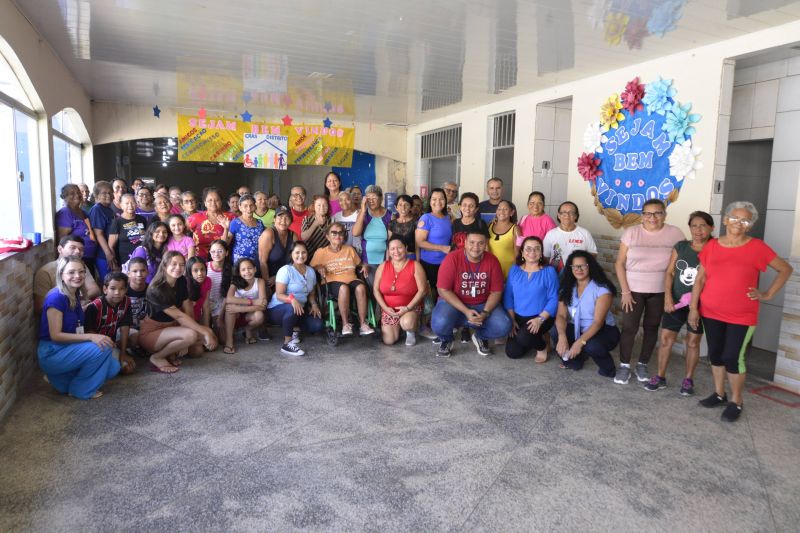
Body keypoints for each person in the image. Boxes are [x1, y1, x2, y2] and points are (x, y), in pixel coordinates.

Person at [688, 202, 793, 422]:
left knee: (732, 357)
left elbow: (785, 269)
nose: (739, 223)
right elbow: (700, 279)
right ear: (726, 220)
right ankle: (719, 394)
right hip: (710, 310)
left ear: (750, 226)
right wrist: (693, 309)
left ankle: (736, 401)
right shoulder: (712, 246)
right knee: (716, 354)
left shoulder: (757, 247)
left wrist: (767, 294)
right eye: (735, 218)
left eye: (745, 220)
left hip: (742, 315)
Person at [614, 199, 685, 384]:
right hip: (633, 290)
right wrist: (625, 291)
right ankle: (624, 366)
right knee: (630, 327)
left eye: (657, 213)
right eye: (648, 213)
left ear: (664, 214)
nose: (652, 217)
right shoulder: (631, 233)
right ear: (642, 215)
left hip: (660, 290)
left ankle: (642, 364)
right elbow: (619, 263)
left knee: (652, 327)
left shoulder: (675, 233)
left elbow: (682, 261)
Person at [645, 211, 714, 395]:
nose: (698, 230)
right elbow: (669, 273)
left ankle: (688, 379)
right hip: (675, 301)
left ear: (711, 228)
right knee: (666, 339)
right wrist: (667, 297)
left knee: (692, 342)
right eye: (694, 226)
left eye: (703, 225)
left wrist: (696, 307)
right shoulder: (681, 246)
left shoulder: (715, 248)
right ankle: (660, 377)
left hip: (700, 305)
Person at [38, 256, 120, 399]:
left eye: (81, 272)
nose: (77, 276)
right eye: (71, 272)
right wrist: (91, 336)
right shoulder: (56, 297)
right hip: (52, 352)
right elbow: (55, 335)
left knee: (114, 368)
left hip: (68, 348)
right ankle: (80, 390)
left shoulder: (73, 293)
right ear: (61, 274)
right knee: (105, 347)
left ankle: (59, 377)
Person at [431, 230, 511, 357]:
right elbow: (443, 290)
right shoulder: (452, 258)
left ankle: (480, 336)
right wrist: (465, 311)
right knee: (439, 322)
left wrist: (485, 312)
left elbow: (496, 291)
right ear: (465, 243)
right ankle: (446, 339)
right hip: (454, 304)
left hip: (482, 304)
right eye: (472, 243)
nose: (476, 247)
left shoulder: (492, 260)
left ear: (486, 244)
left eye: (480, 243)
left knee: (504, 326)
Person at [141, 251, 218, 373]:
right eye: (174, 264)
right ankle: (157, 357)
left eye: (182, 264)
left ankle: (172, 352)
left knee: (201, 345)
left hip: (173, 327)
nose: (178, 268)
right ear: (165, 265)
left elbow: (187, 307)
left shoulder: (181, 280)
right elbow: (179, 315)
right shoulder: (156, 288)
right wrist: (201, 332)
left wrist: (202, 332)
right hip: (152, 332)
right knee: (192, 335)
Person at [554, 251, 620, 377]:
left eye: (583, 266)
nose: (578, 269)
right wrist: (562, 337)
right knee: (556, 330)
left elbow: (598, 322)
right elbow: (561, 316)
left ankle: (608, 369)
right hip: (578, 328)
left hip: (603, 329)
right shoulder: (567, 287)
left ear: (590, 267)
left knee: (592, 346)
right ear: (570, 268)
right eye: (575, 266)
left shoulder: (602, 289)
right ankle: (579, 357)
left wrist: (579, 343)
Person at [310, 223, 374, 336]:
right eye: (334, 233)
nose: (337, 235)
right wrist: (318, 267)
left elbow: (359, 264)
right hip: (331, 283)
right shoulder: (321, 252)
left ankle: (363, 323)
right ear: (327, 236)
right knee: (343, 288)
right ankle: (345, 324)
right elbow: (311, 267)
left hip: (351, 279)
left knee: (361, 287)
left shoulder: (349, 249)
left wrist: (364, 265)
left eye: (340, 233)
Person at [504, 237, 559, 362]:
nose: (532, 252)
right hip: (518, 317)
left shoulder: (549, 271)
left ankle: (542, 346)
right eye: (528, 249)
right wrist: (511, 319)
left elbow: (554, 298)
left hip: (541, 316)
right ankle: (534, 338)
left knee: (524, 337)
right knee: (513, 352)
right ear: (522, 252)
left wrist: (540, 319)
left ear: (541, 253)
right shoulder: (514, 270)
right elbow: (508, 296)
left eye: (537, 249)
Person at [267, 241, 324, 356]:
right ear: (291, 254)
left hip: (299, 310)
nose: (300, 255)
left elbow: (311, 293)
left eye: (303, 252)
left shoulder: (311, 271)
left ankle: (293, 328)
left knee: (318, 325)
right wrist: (292, 299)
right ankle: (287, 344)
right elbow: (279, 294)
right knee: (291, 309)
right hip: (278, 309)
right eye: (297, 252)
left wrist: (313, 304)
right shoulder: (286, 270)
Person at [373, 236, 427, 346]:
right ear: (388, 250)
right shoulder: (383, 266)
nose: (396, 251)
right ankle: (399, 328)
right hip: (389, 309)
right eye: (392, 249)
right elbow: (376, 289)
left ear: (406, 248)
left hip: (410, 308)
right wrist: (385, 308)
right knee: (389, 341)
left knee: (407, 323)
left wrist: (407, 308)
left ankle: (410, 331)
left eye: (399, 248)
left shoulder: (415, 265)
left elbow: (423, 290)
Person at [84, 272, 137, 375]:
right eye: (113, 289)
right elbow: (88, 331)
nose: (117, 292)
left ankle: (118, 351)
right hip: (95, 343)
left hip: (111, 338)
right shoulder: (95, 306)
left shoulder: (126, 302)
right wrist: (109, 346)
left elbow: (124, 327)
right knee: (124, 368)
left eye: (121, 289)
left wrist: (122, 353)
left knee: (135, 337)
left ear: (126, 290)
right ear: (105, 289)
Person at [34, 235, 101, 314]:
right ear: (60, 249)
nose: (78, 251)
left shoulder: (81, 266)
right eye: (72, 247)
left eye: (81, 249)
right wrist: (73, 303)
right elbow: (40, 307)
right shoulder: (45, 272)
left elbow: (95, 290)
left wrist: (78, 303)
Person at [415, 188, 452, 305]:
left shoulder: (448, 218)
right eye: (434, 199)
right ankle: (427, 322)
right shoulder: (426, 218)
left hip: (445, 264)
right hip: (429, 264)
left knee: (443, 296)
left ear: (445, 201)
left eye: (441, 199)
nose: (438, 202)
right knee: (429, 298)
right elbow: (420, 242)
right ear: (429, 201)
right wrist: (442, 248)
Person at [223, 258, 267, 353]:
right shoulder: (235, 282)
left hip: (247, 314)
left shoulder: (260, 282)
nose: (247, 271)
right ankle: (229, 341)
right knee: (230, 307)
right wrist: (253, 302)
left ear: (255, 269)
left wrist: (239, 308)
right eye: (243, 269)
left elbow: (263, 305)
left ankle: (248, 330)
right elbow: (229, 298)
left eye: (249, 268)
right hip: (235, 315)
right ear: (239, 272)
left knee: (259, 315)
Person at [542, 201, 597, 272]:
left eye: (571, 213)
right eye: (564, 212)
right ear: (559, 215)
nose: (567, 215)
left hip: (578, 275)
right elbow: (546, 257)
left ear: (576, 216)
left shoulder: (585, 233)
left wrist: (581, 257)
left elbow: (593, 254)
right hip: (556, 274)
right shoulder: (551, 234)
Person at [55, 183, 98, 274]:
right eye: (72, 193)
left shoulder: (82, 212)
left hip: (89, 257)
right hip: (76, 259)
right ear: (64, 197)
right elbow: (62, 240)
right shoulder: (65, 213)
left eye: (78, 192)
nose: (77, 195)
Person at [353, 185, 393, 280]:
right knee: (372, 289)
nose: (371, 201)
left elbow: (391, 240)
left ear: (381, 198)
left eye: (374, 198)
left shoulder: (390, 215)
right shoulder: (363, 214)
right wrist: (363, 211)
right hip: (367, 261)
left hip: (385, 260)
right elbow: (355, 233)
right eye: (368, 198)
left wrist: (389, 261)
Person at [187, 187, 235, 260]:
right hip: (199, 261)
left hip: (222, 260)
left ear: (221, 202)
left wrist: (226, 228)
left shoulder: (230, 217)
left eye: (217, 200)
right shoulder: (194, 218)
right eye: (209, 200)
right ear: (205, 203)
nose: (213, 203)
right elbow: (182, 235)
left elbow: (225, 243)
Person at [108, 193, 148, 267]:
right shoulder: (117, 222)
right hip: (125, 262)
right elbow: (111, 246)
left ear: (136, 204)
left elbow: (147, 238)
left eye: (133, 202)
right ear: (121, 205)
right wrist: (114, 265)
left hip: (143, 260)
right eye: (126, 203)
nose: (130, 205)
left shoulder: (142, 219)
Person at [88, 181, 117, 280]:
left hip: (110, 251)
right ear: (96, 195)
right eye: (104, 193)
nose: (108, 195)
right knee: (108, 281)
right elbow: (98, 234)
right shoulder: (97, 209)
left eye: (110, 192)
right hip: (103, 254)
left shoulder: (109, 209)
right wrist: (108, 254)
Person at [261, 208, 294, 287]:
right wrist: (267, 284)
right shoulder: (268, 234)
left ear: (291, 221)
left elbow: (295, 260)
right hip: (268, 278)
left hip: (286, 277)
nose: (283, 221)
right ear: (274, 219)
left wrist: (278, 277)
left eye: (287, 218)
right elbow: (262, 262)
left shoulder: (293, 235)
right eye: (280, 217)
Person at [229, 193, 266, 266]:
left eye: (251, 205)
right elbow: (227, 241)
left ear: (255, 206)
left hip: (256, 261)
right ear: (240, 207)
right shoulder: (235, 222)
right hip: (240, 261)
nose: (249, 209)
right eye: (245, 206)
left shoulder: (260, 223)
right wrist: (225, 228)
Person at [488, 200, 520, 278]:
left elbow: (518, 253)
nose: (501, 211)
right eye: (499, 209)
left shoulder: (515, 229)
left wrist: (515, 272)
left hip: (509, 271)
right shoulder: (489, 225)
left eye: (505, 209)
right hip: (491, 269)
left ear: (511, 212)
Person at [206, 240, 232, 338]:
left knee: (223, 339)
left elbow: (227, 296)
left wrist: (220, 317)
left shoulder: (230, 270)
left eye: (220, 251)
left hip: (220, 305)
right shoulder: (205, 267)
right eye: (213, 251)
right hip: (205, 304)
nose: (216, 254)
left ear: (226, 253)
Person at [125, 256, 150, 353]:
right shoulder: (122, 291)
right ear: (128, 274)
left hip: (147, 327)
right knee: (135, 336)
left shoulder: (152, 290)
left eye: (142, 270)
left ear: (147, 272)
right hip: (127, 328)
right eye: (135, 271)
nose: (139, 274)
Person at [301, 195, 332, 260]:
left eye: (325, 205)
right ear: (314, 206)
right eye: (319, 205)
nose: (322, 207)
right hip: (310, 256)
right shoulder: (307, 219)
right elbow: (304, 238)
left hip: (327, 256)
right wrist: (315, 223)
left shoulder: (332, 220)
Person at [388, 194, 417, 260]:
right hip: (396, 257)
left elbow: (417, 245)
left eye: (406, 205)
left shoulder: (416, 223)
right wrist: (388, 260)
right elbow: (389, 244)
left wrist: (418, 260)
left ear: (411, 207)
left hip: (411, 257)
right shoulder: (392, 223)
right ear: (396, 207)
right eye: (400, 205)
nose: (403, 208)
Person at [333, 190, 361, 257]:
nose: (344, 202)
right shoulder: (336, 216)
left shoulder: (358, 214)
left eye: (347, 199)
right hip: (340, 253)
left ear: (351, 200)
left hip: (356, 253)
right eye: (341, 200)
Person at [186, 256, 212, 327]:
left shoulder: (208, 280)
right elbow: (186, 313)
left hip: (197, 317)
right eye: (195, 270)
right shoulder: (185, 284)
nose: (200, 273)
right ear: (190, 272)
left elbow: (205, 306)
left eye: (202, 269)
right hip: (186, 321)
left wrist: (207, 327)